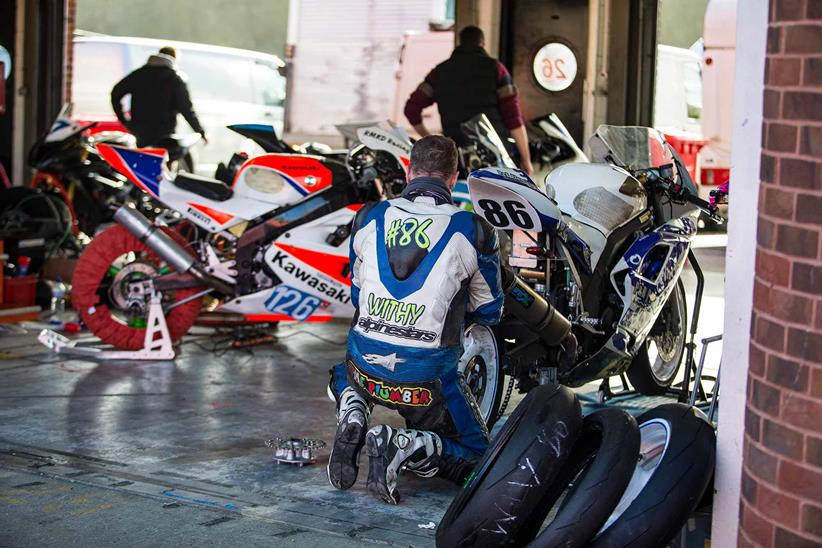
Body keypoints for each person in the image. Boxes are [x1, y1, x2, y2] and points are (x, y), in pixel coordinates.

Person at [327, 135, 503, 504]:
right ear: (455, 178)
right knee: (478, 457)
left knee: (341, 371)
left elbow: (358, 294)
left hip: (363, 367)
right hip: (427, 381)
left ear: (409, 171)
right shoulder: (474, 229)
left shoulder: (368, 216)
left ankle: (354, 411)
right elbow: (489, 311)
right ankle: (402, 444)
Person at [404, 25, 533, 176]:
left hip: (458, 159)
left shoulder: (439, 72)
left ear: (460, 42)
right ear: (482, 44)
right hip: (496, 156)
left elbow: (411, 109)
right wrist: (526, 160)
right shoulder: (496, 69)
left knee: (461, 197)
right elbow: (514, 119)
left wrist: (432, 141)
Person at [110, 46, 207, 148]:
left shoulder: (139, 74)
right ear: (174, 59)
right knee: (163, 161)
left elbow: (115, 94)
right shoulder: (175, 79)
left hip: (139, 130)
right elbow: (186, 108)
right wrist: (200, 131)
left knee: (141, 159)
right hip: (164, 134)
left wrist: (124, 120)